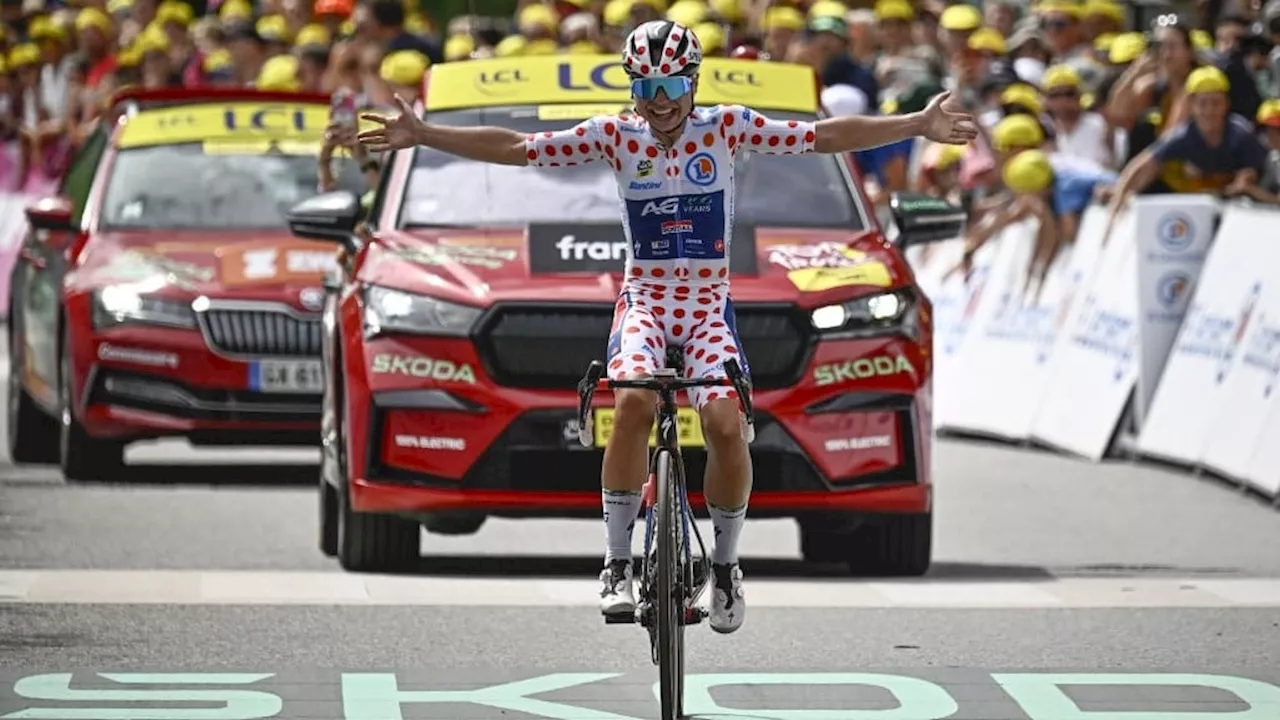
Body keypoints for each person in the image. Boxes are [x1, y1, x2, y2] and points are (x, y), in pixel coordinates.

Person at [357, 19, 977, 635]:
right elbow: (519, 150)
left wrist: (915, 124)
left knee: (726, 426)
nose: (659, 102)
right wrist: (423, 134)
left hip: (708, 306)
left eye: (672, 85)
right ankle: (617, 563)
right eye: (646, 86)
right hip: (647, 303)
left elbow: (823, 136)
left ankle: (728, 567)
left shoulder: (728, 128)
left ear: (693, 82)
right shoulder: (615, 137)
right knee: (629, 406)